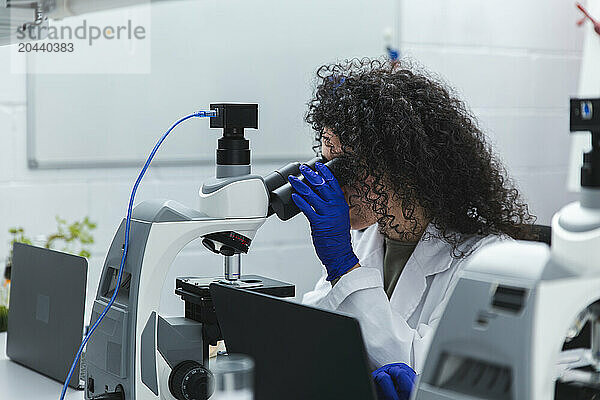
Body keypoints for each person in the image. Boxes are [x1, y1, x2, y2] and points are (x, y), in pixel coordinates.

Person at [288, 58, 535, 400]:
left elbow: (433, 376)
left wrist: (345, 270)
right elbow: (313, 337)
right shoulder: (365, 241)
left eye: (343, 167)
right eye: (325, 161)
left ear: (404, 169)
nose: (331, 181)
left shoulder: (486, 263)